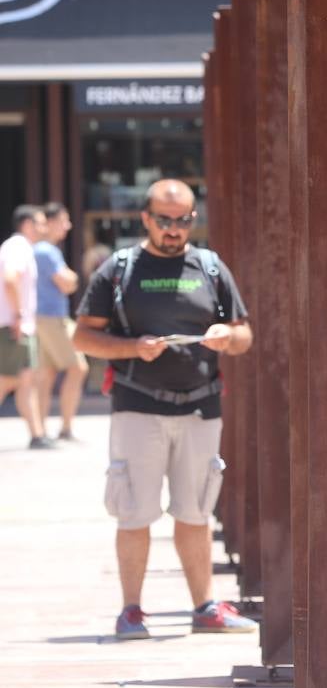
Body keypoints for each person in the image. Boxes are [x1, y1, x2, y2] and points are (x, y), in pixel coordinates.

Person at [73, 179, 256, 640]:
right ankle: (131, 610)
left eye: (183, 220)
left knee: (195, 511)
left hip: (200, 408)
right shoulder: (120, 269)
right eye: (164, 220)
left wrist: (226, 336)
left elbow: (244, 335)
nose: (173, 229)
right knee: (135, 512)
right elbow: (83, 337)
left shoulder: (210, 267)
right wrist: (132, 347)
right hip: (138, 407)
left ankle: (205, 607)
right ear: (146, 219)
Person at [0, 205, 54, 449]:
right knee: (7, 380)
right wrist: (18, 315)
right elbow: (10, 279)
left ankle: (36, 435)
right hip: (13, 324)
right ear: (27, 224)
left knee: (25, 381)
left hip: (20, 324)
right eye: (40, 223)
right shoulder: (17, 247)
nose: (44, 227)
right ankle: (37, 435)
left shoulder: (22, 248)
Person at [33, 202, 87, 441]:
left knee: (46, 375)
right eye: (64, 221)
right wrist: (73, 277)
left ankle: (40, 431)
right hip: (52, 318)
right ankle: (65, 428)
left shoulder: (40, 250)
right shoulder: (47, 251)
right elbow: (67, 282)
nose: (68, 226)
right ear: (50, 222)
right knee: (78, 368)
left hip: (43, 317)